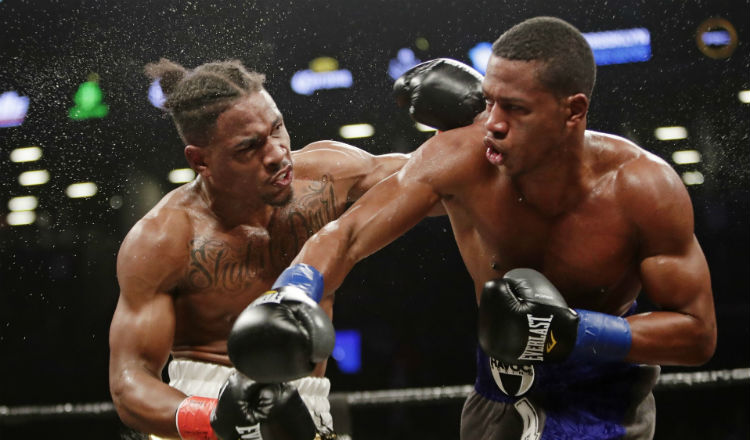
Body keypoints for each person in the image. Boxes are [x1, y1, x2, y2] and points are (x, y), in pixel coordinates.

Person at [283, 16, 717, 439]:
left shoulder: (642, 188)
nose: (492, 123)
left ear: (574, 110)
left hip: (607, 410)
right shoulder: (460, 156)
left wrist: (570, 333)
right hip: (497, 401)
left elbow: (697, 334)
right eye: (489, 101)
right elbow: (346, 235)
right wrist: (289, 294)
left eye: (515, 108)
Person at [108, 58, 420, 440]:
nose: (276, 154)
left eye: (277, 129)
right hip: (203, 405)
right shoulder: (164, 238)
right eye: (249, 147)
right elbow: (129, 382)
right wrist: (213, 418)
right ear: (200, 159)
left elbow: (438, 182)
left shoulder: (329, 176)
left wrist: (477, 118)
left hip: (309, 407)